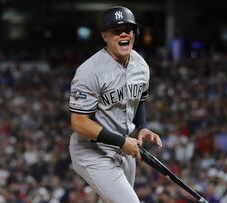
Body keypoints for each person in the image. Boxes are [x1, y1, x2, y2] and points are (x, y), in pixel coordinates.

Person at [68, 6, 162, 203]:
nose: (124, 34)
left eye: (128, 29)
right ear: (105, 36)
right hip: (92, 151)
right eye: (116, 31)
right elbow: (79, 123)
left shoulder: (141, 65)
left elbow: (139, 98)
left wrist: (143, 126)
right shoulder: (89, 71)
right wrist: (121, 142)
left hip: (123, 147)